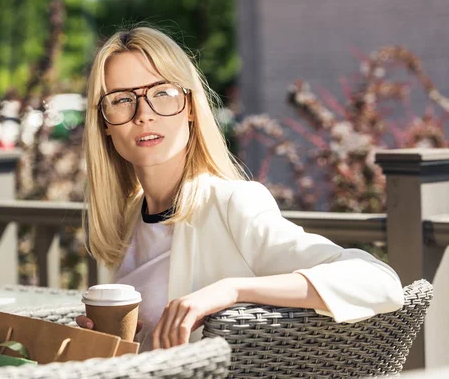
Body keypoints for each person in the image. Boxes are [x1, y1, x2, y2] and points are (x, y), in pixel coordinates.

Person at [76, 25, 404, 352]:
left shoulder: (233, 203)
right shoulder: (130, 221)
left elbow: (379, 281)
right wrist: (114, 344)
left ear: (190, 107)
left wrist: (231, 290)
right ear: (105, 122)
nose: (143, 115)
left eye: (162, 93)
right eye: (121, 100)